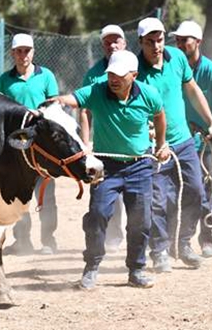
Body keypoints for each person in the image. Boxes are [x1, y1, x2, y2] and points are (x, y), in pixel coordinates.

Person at [50, 50, 169, 288]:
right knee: (97, 215)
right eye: (111, 74)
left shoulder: (149, 94)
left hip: (140, 166)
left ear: (133, 75)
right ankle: (91, 267)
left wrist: (161, 144)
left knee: (141, 221)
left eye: (119, 75)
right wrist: (58, 102)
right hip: (107, 168)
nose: (113, 79)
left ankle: (136, 270)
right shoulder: (97, 90)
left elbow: (159, 115)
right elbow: (75, 98)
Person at [135, 17, 212, 272]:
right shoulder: (134, 69)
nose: (156, 46)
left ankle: (183, 244)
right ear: (140, 42)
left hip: (183, 142)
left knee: (196, 190)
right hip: (154, 147)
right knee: (159, 200)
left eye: (159, 40)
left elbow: (192, 90)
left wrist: (210, 122)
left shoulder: (177, 58)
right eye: (150, 41)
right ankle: (159, 250)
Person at [170, 20, 212, 257]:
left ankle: (208, 238)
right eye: (177, 40)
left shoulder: (210, 69)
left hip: (206, 141)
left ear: (198, 42)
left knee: (210, 189)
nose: (180, 44)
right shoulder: (172, 67)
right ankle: (179, 239)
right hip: (180, 140)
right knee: (180, 190)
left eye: (185, 40)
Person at [0, 33, 60, 255]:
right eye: (19, 51)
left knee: (45, 195)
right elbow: (1, 111)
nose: (23, 55)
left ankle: (48, 241)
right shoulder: (5, 80)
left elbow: (54, 107)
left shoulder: (47, 77)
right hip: (18, 148)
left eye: (27, 50)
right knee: (19, 196)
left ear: (33, 52)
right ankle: (22, 241)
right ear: (12, 53)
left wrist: (40, 113)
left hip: (43, 148)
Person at [81, 24, 129, 254]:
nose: (112, 45)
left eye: (116, 40)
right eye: (107, 42)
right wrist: (86, 143)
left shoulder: (133, 66)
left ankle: (146, 240)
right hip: (103, 146)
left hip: (134, 146)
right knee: (105, 196)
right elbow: (85, 110)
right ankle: (111, 236)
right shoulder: (93, 75)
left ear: (124, 42)